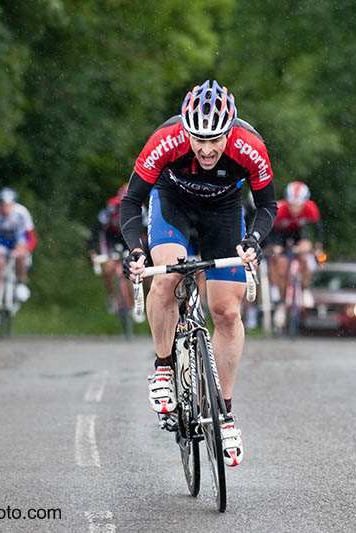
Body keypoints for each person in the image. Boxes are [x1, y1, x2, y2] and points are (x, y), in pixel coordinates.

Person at [119, 80, 277, 467]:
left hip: (223, 212)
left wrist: (254, 241)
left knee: (226, 311)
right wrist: (137, 251)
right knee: (168, 276)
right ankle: (162, 367)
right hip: (173, 205)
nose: (206, 149)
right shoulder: (165, 141)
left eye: (215, 139)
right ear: (186, 131)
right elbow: (131, 201)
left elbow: (268, 205)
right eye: (198, 139)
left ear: (230, 131)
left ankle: (224, 414)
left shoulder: (249, 146)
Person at [266, 181, 324, 322]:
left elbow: (318, 229)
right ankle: (281, 300)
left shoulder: (310, 208)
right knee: (281, 265)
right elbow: (268, 231)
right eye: (292, 204)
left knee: (305, 254)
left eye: (299, 205)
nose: (296, 209)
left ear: (305, 202)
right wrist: (274, 247)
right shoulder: (280, 209)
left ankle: (305, 289)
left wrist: (317, 246)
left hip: (298, 233)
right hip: (279, 235)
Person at [0, 187, 37, 328]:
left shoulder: (22, 213)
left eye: (8, 205)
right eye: (2, 205)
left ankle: (21, 283)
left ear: (13, 204)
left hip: (18, 239)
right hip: (1, 240)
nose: (5, 209)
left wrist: (24, 250)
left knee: (20, 254)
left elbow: (31, 238)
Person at [87, 184, 133, 314]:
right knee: (108, 267)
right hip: (110, 238)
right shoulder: (111, 207)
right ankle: (112, 296)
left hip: (128, 237)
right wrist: (92, 250)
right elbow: (97, 228)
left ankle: (135, 303)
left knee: (133, 268)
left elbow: (145, 232)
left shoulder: (141, 209)